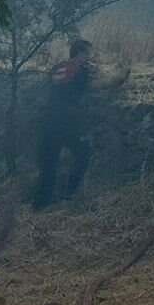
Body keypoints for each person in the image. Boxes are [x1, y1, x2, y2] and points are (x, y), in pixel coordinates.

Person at [31, 38, 127, 209]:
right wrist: (119, 79)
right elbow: (96, 86)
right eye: (88, 53)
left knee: (49, 164)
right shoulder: (80, 70)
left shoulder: (58, 67)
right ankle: (69, 194)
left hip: (49, 121)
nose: (90, 57)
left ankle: (40, 205)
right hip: (68, 123)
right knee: (83, 154)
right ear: (81, 53)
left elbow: (53, 86)